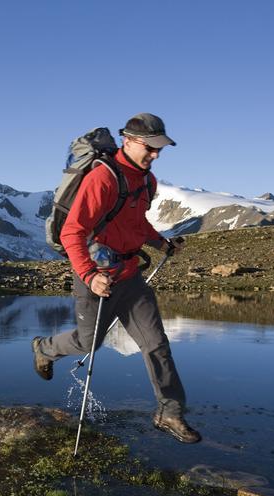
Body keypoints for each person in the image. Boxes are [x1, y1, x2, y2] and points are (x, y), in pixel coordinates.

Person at [32, 113, 201, 443]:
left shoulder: (146, 181)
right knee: (88, 343)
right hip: (97, 278)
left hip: (130, 277)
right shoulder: (103, 179)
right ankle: (44, 348)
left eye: (159, 149)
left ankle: (169, 412)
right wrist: (90, 275)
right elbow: (72, 232)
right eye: (150, 148)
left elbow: (136, 224)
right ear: (128, 141)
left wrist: (161, 242)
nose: (155, 155)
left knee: (156, 345)